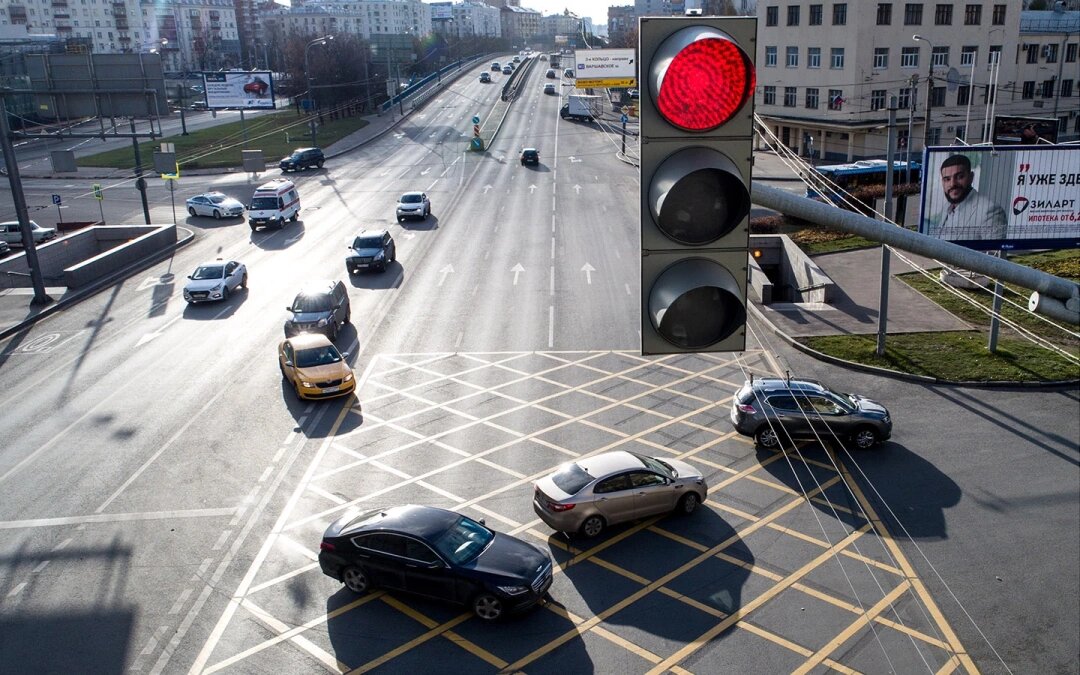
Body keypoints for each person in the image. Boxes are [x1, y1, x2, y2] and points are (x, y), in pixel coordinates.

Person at [932, 154, 1007, 241]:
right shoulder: (947, 207)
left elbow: (994, 253)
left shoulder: (990, 211)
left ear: (971, 177)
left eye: (959, 177)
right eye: (947, 179)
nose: (952, 184)